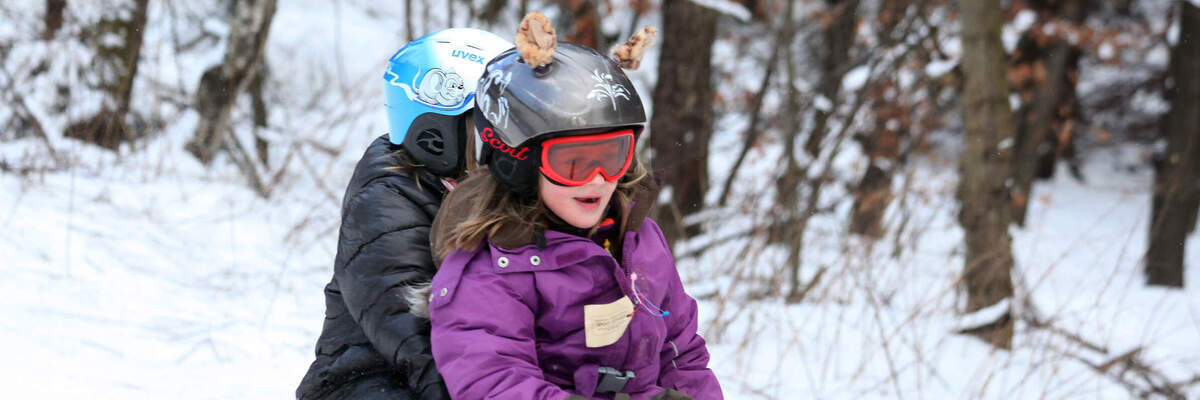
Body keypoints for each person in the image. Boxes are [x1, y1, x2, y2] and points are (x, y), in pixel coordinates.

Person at [425, 14, 723, 400]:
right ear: (520, 160)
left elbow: (682, 353)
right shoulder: (491, 269)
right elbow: (495, 382)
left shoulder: (641, 240)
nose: (598, 178)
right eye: (573, 161)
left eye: (613, 156)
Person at [296, 28, 512, 400]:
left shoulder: (494, 190)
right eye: (491, 133)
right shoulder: (385, 199)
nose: (507, 146)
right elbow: (412, 331)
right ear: (436, 135)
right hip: (366, 376)